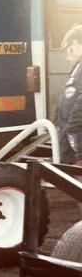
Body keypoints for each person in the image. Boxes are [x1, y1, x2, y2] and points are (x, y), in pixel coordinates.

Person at [58, 24, 82, 170]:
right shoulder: (78, 67)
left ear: (74, 43)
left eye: (68, 51)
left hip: (77, 136)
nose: (67, 57)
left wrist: (72, 129)